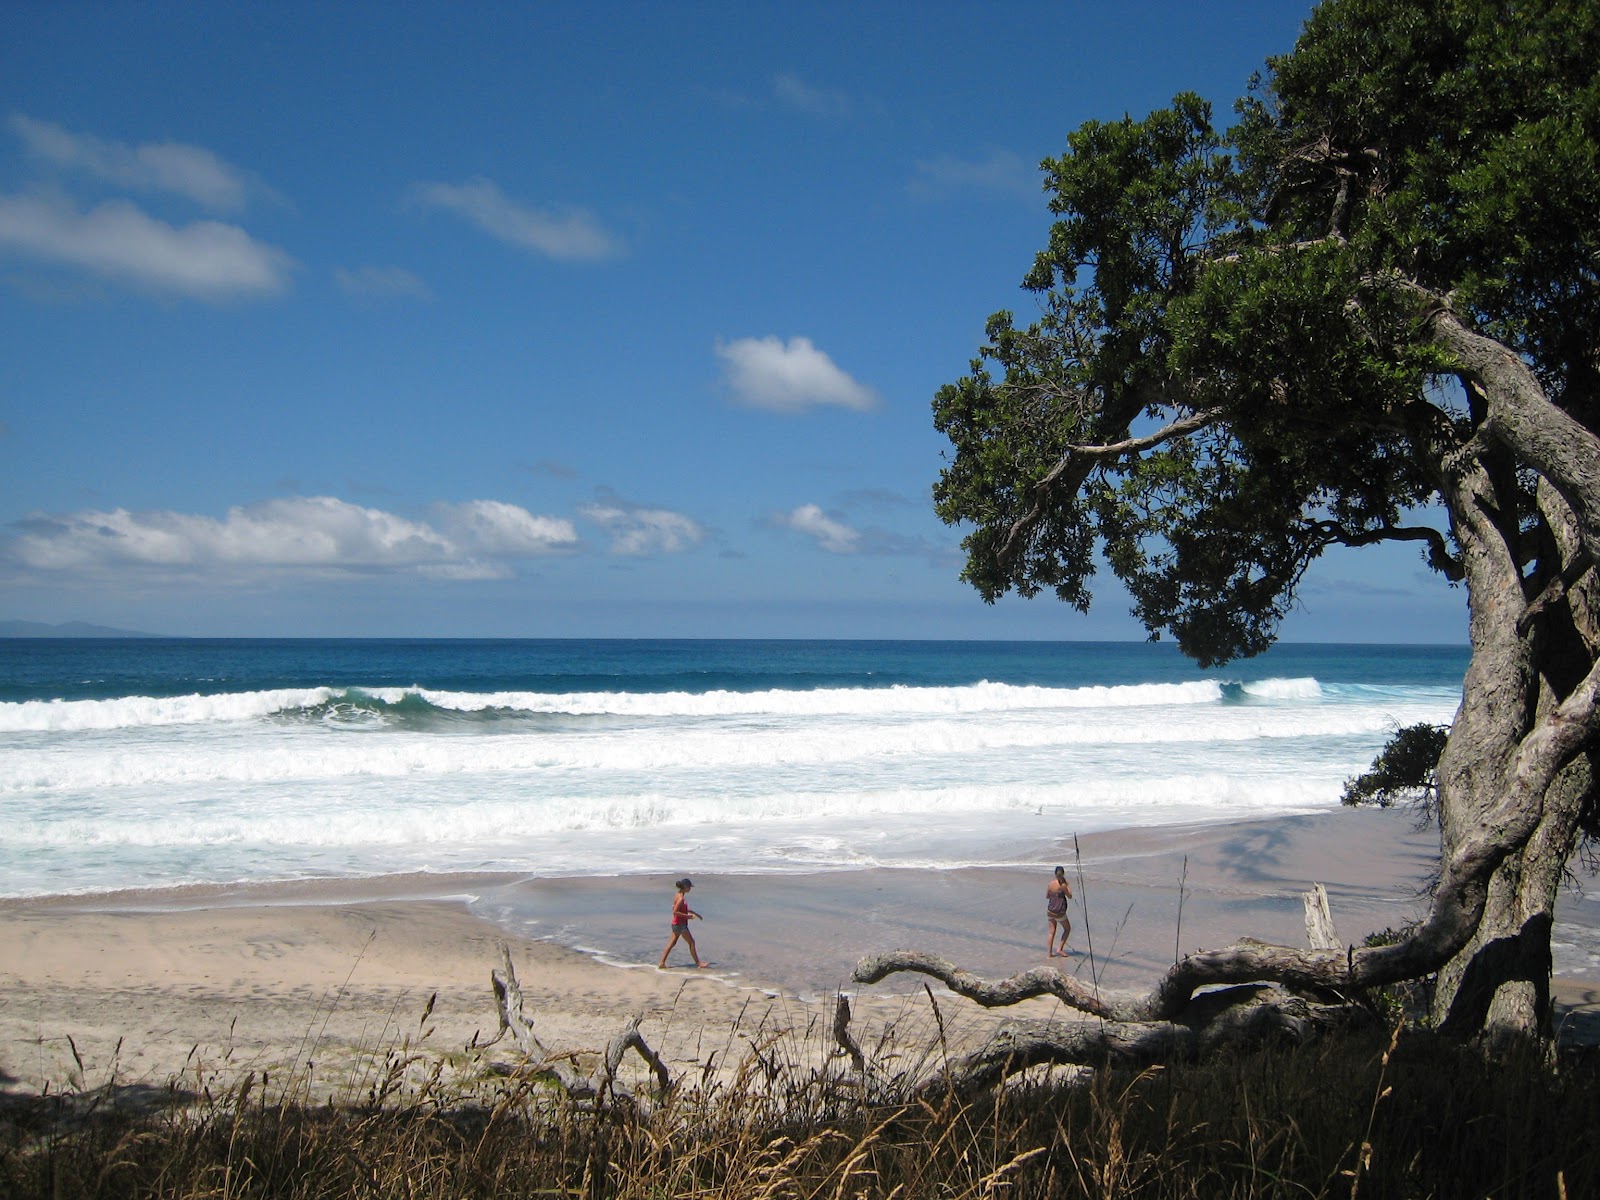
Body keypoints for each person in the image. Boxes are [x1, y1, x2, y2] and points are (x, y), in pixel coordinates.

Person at [657, 876, 705, 969]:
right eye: (690, 887)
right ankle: (698, 963)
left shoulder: (677, 895)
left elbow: (682, 909)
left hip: (676, 924)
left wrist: (695, 913)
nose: (690, 889)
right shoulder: (681, 898)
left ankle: (661, 963)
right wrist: (688, 916)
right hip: (680, 925)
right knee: (691, 942)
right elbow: (675, 911)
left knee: (672, 943)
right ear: (686, 887)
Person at [1046, 865, 1073, 957]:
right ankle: (1059, 949)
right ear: (1063, 874)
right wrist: (1066, 886)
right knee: (1067, 929)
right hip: (1059, 911)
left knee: (1051, 931)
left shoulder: (1050, 883)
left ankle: (1049, 953)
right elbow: (1070, 896)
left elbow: (1047, 896)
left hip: (1050, 909)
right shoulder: (1064, 885)